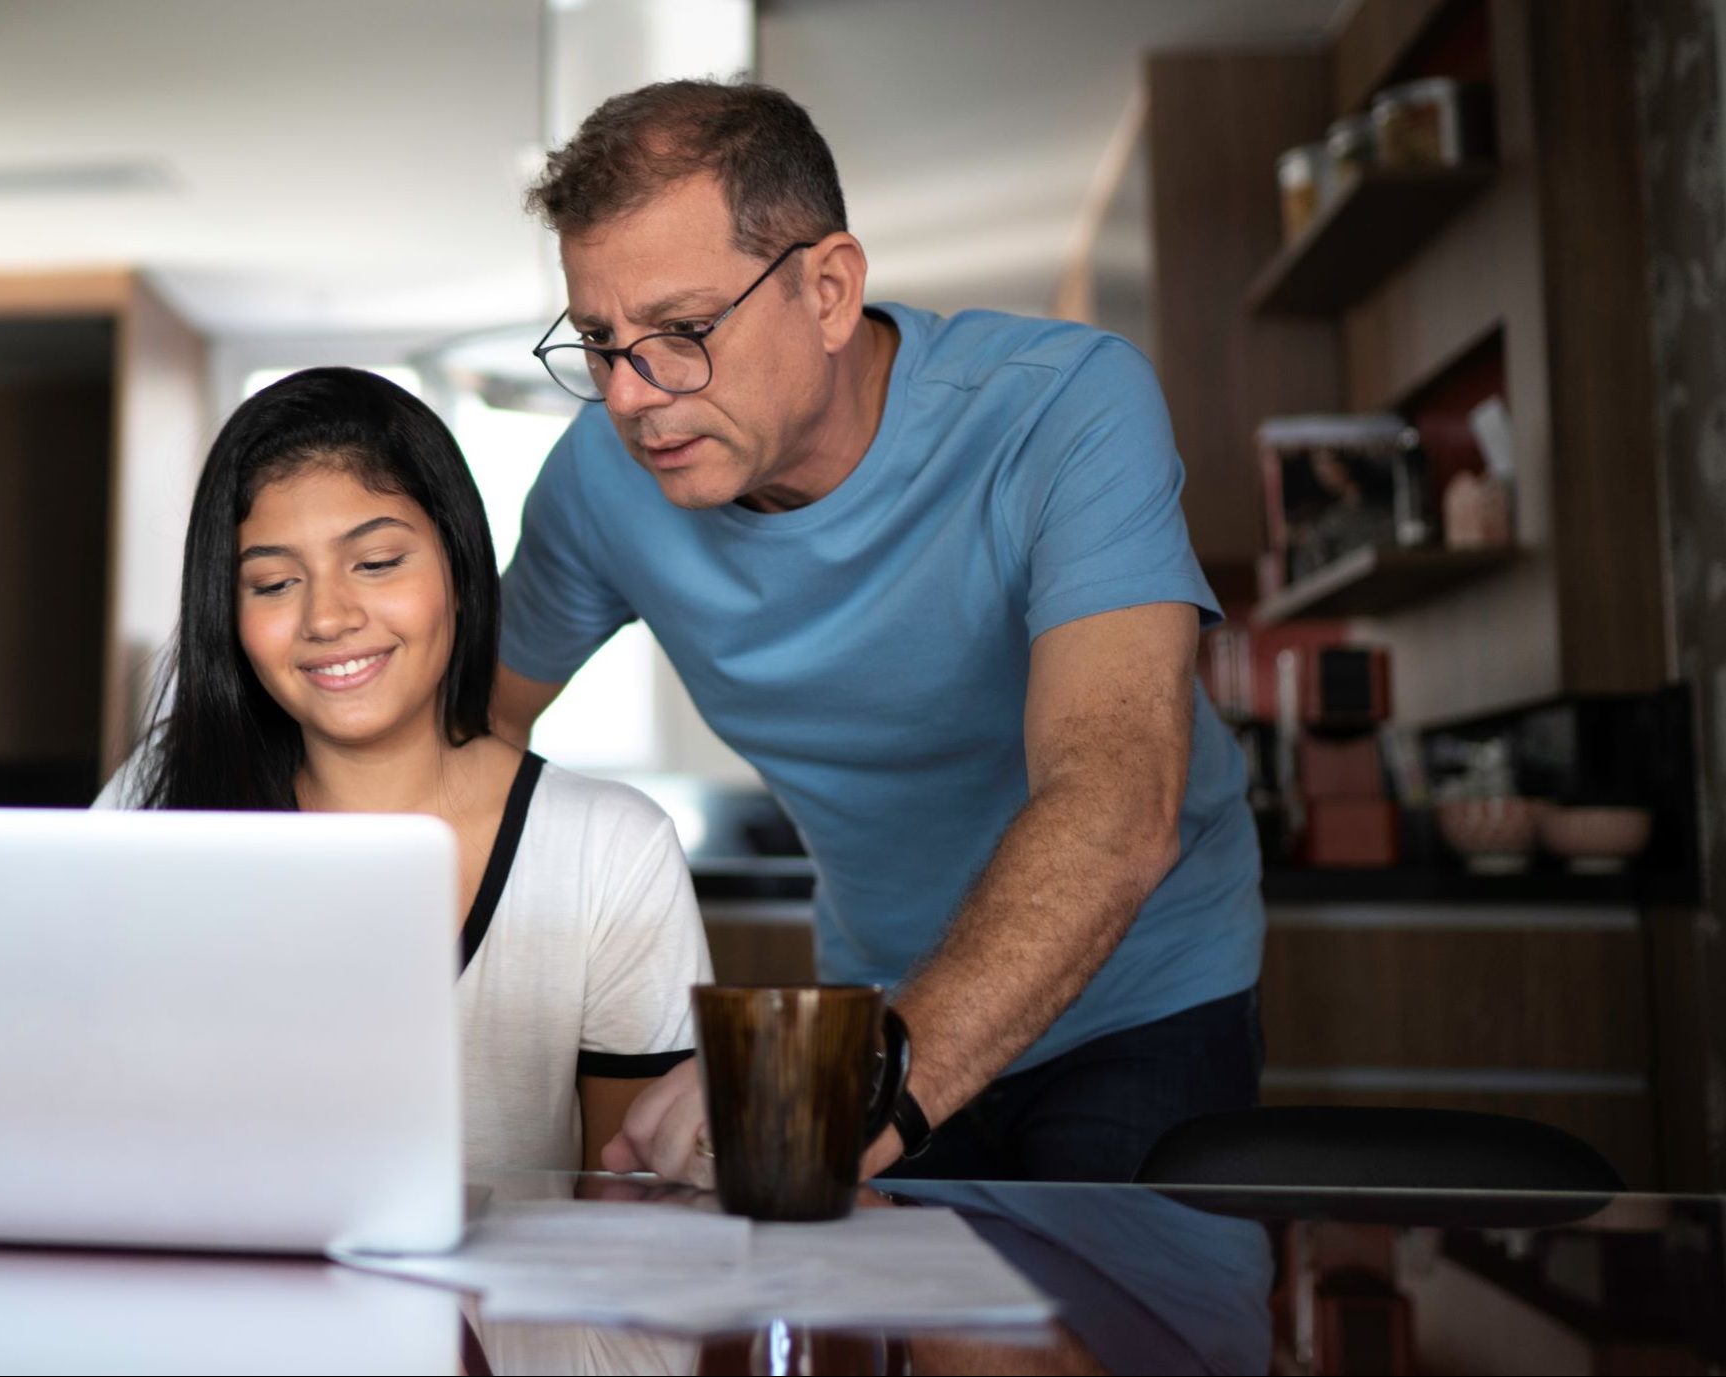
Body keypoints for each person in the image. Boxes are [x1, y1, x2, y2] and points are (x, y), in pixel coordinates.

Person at [496, 80, 1265, 1185]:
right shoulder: (597, 485)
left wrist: (859, 1080)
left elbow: (1115, 802)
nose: (628, 396)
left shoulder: (1062, 408)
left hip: (1138, 1002)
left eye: (680, 331)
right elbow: (470, 734)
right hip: (874, 998)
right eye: (599, 343)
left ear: (826, 290)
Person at [98, 366, 713, 1174]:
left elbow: (638, 1209)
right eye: (274, 582)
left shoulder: (609, 851)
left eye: (378, 562)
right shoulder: (156, 803)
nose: (326, 617)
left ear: (458, 568)